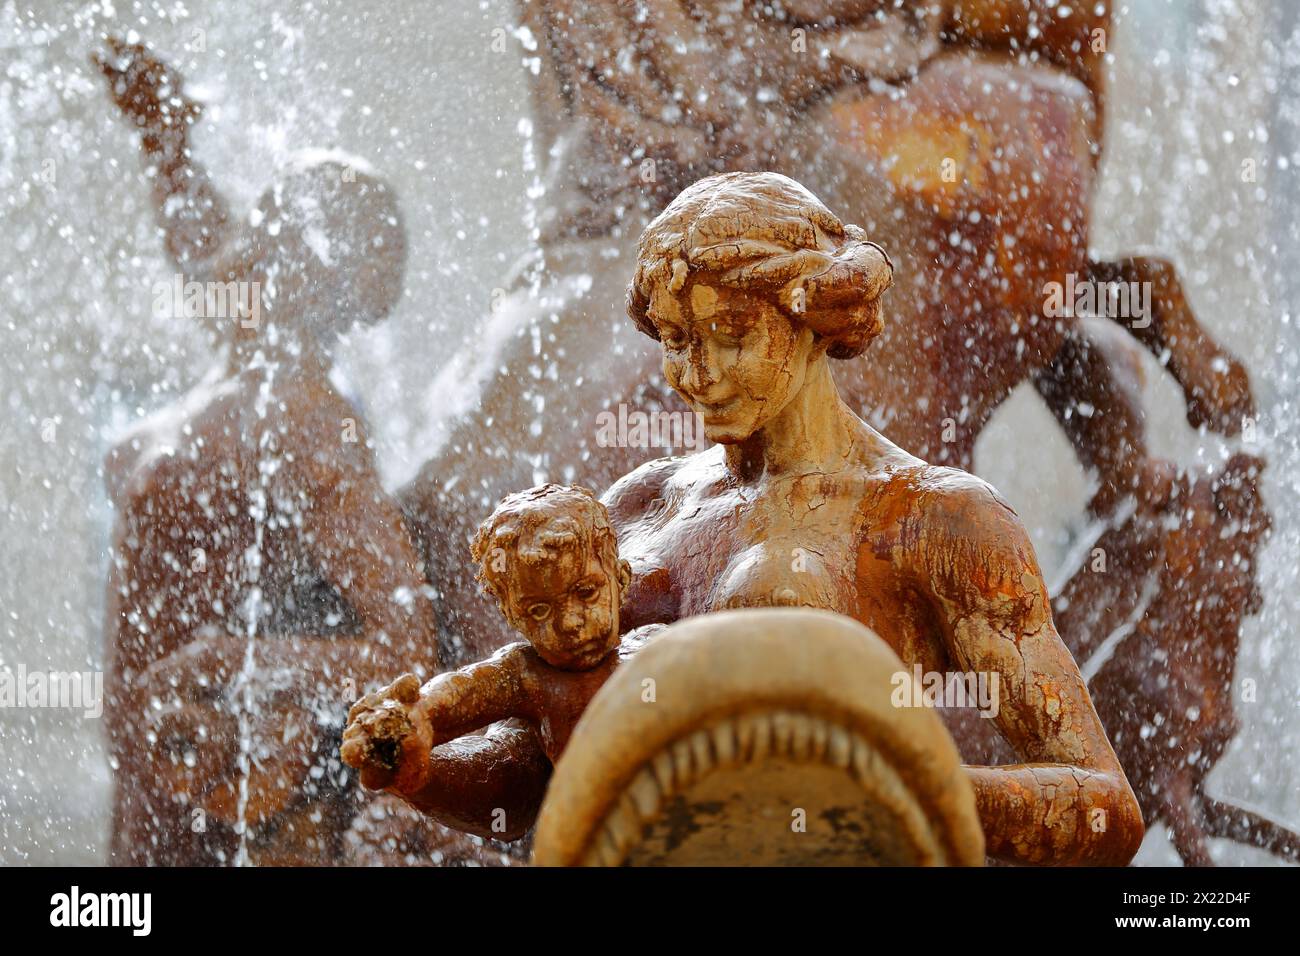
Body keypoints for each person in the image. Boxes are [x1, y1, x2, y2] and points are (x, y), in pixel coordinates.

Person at [356, 172, 1145, 865]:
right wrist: (419, 769)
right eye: (674, 340)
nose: (694, 375)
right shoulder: (640, 505)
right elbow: (537, 769)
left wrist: (902, 783)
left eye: (729, 335)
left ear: (815, 314)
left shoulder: (935, 519)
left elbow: (1108, 809)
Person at [97, 38, 443, 864]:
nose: (244, 228)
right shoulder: (242, 352)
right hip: (150, 767)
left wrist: (241, 662)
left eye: (273, 215)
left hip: (211, 781)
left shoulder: (309, 422)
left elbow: (404, 647)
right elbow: (197, 240)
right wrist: (166, 137)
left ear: (309, 267)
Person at [341, 484, 662, 793]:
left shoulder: (656, 649)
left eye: (586, 592)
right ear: (512, 618)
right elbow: (463, 689)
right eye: (538, 611)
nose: (569, 623)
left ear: (620, 579)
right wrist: (410, 716)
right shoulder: (528, 676)